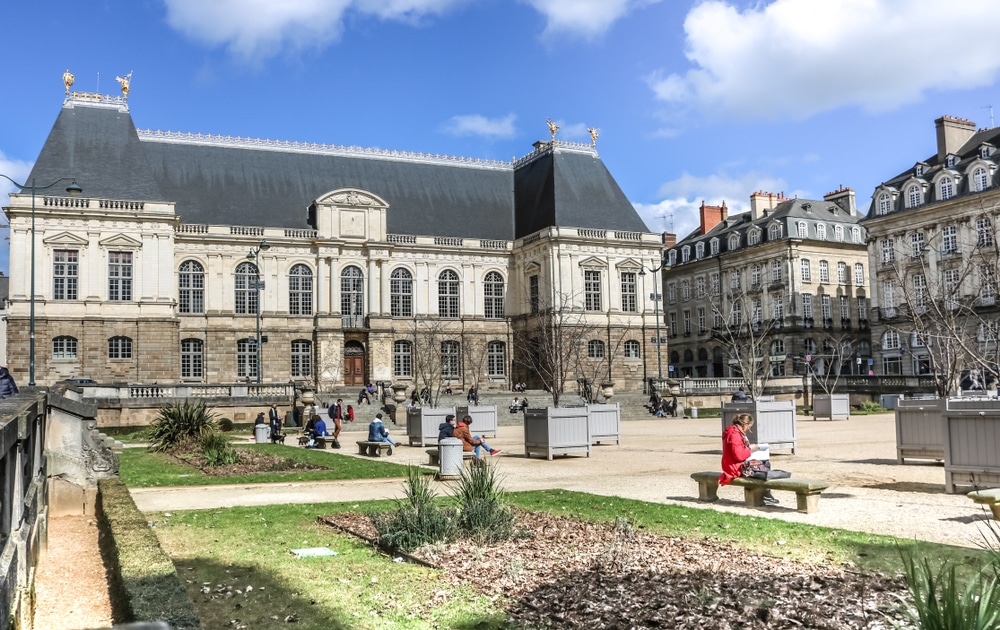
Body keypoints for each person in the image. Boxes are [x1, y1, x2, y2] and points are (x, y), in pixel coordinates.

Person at [720, 414, 778, 505]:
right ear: (745, 424)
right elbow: (739, 456)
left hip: (731, 465)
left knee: (763, 465)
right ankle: (765, 494)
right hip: (735, 468)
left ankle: (766, 493)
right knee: (762, 468)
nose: (748, 429)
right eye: (749, 427)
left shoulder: (732, 431)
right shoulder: (735, 435)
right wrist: (750, 449)